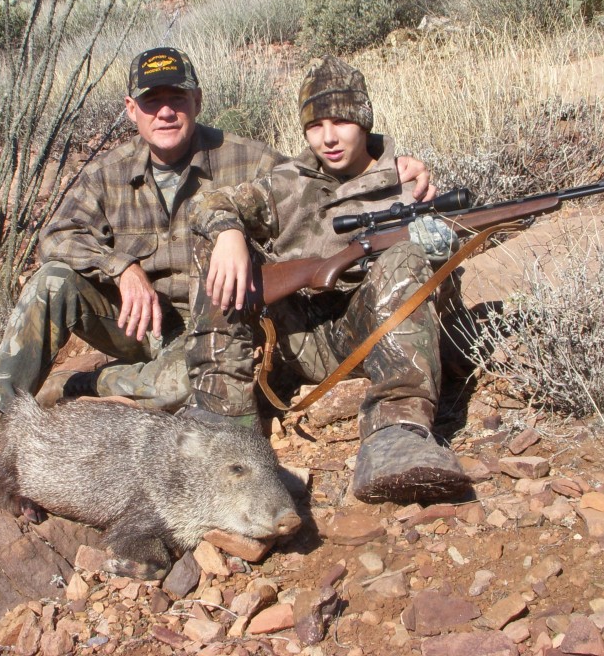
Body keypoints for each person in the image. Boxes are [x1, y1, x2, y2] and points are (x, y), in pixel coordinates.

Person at [0, 46, 436, 496]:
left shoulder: (249, 159)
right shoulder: (106, 174)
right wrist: (122, 269)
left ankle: (87, 386)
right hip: (132, 322)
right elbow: (55, 239)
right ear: (131, 109)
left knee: (181, 390)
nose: (165, 112)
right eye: (151, 102)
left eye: (176, 99)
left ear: (197, 101)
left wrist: (392, 168)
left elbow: (319, 179)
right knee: (52, 281)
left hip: (216, 327)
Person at [184, 54, 470, 504]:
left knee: (409, 255)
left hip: (378, 338)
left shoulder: (406, 184)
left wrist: (438, 248)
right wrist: (229, 233)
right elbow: (208, 204)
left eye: (342, 121)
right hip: (294, 339)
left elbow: (445, 295)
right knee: (215, 244)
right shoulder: (286, 183)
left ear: (365, 121)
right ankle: (223, 420)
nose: (329, 138)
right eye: (316, 126)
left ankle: (398, 433)